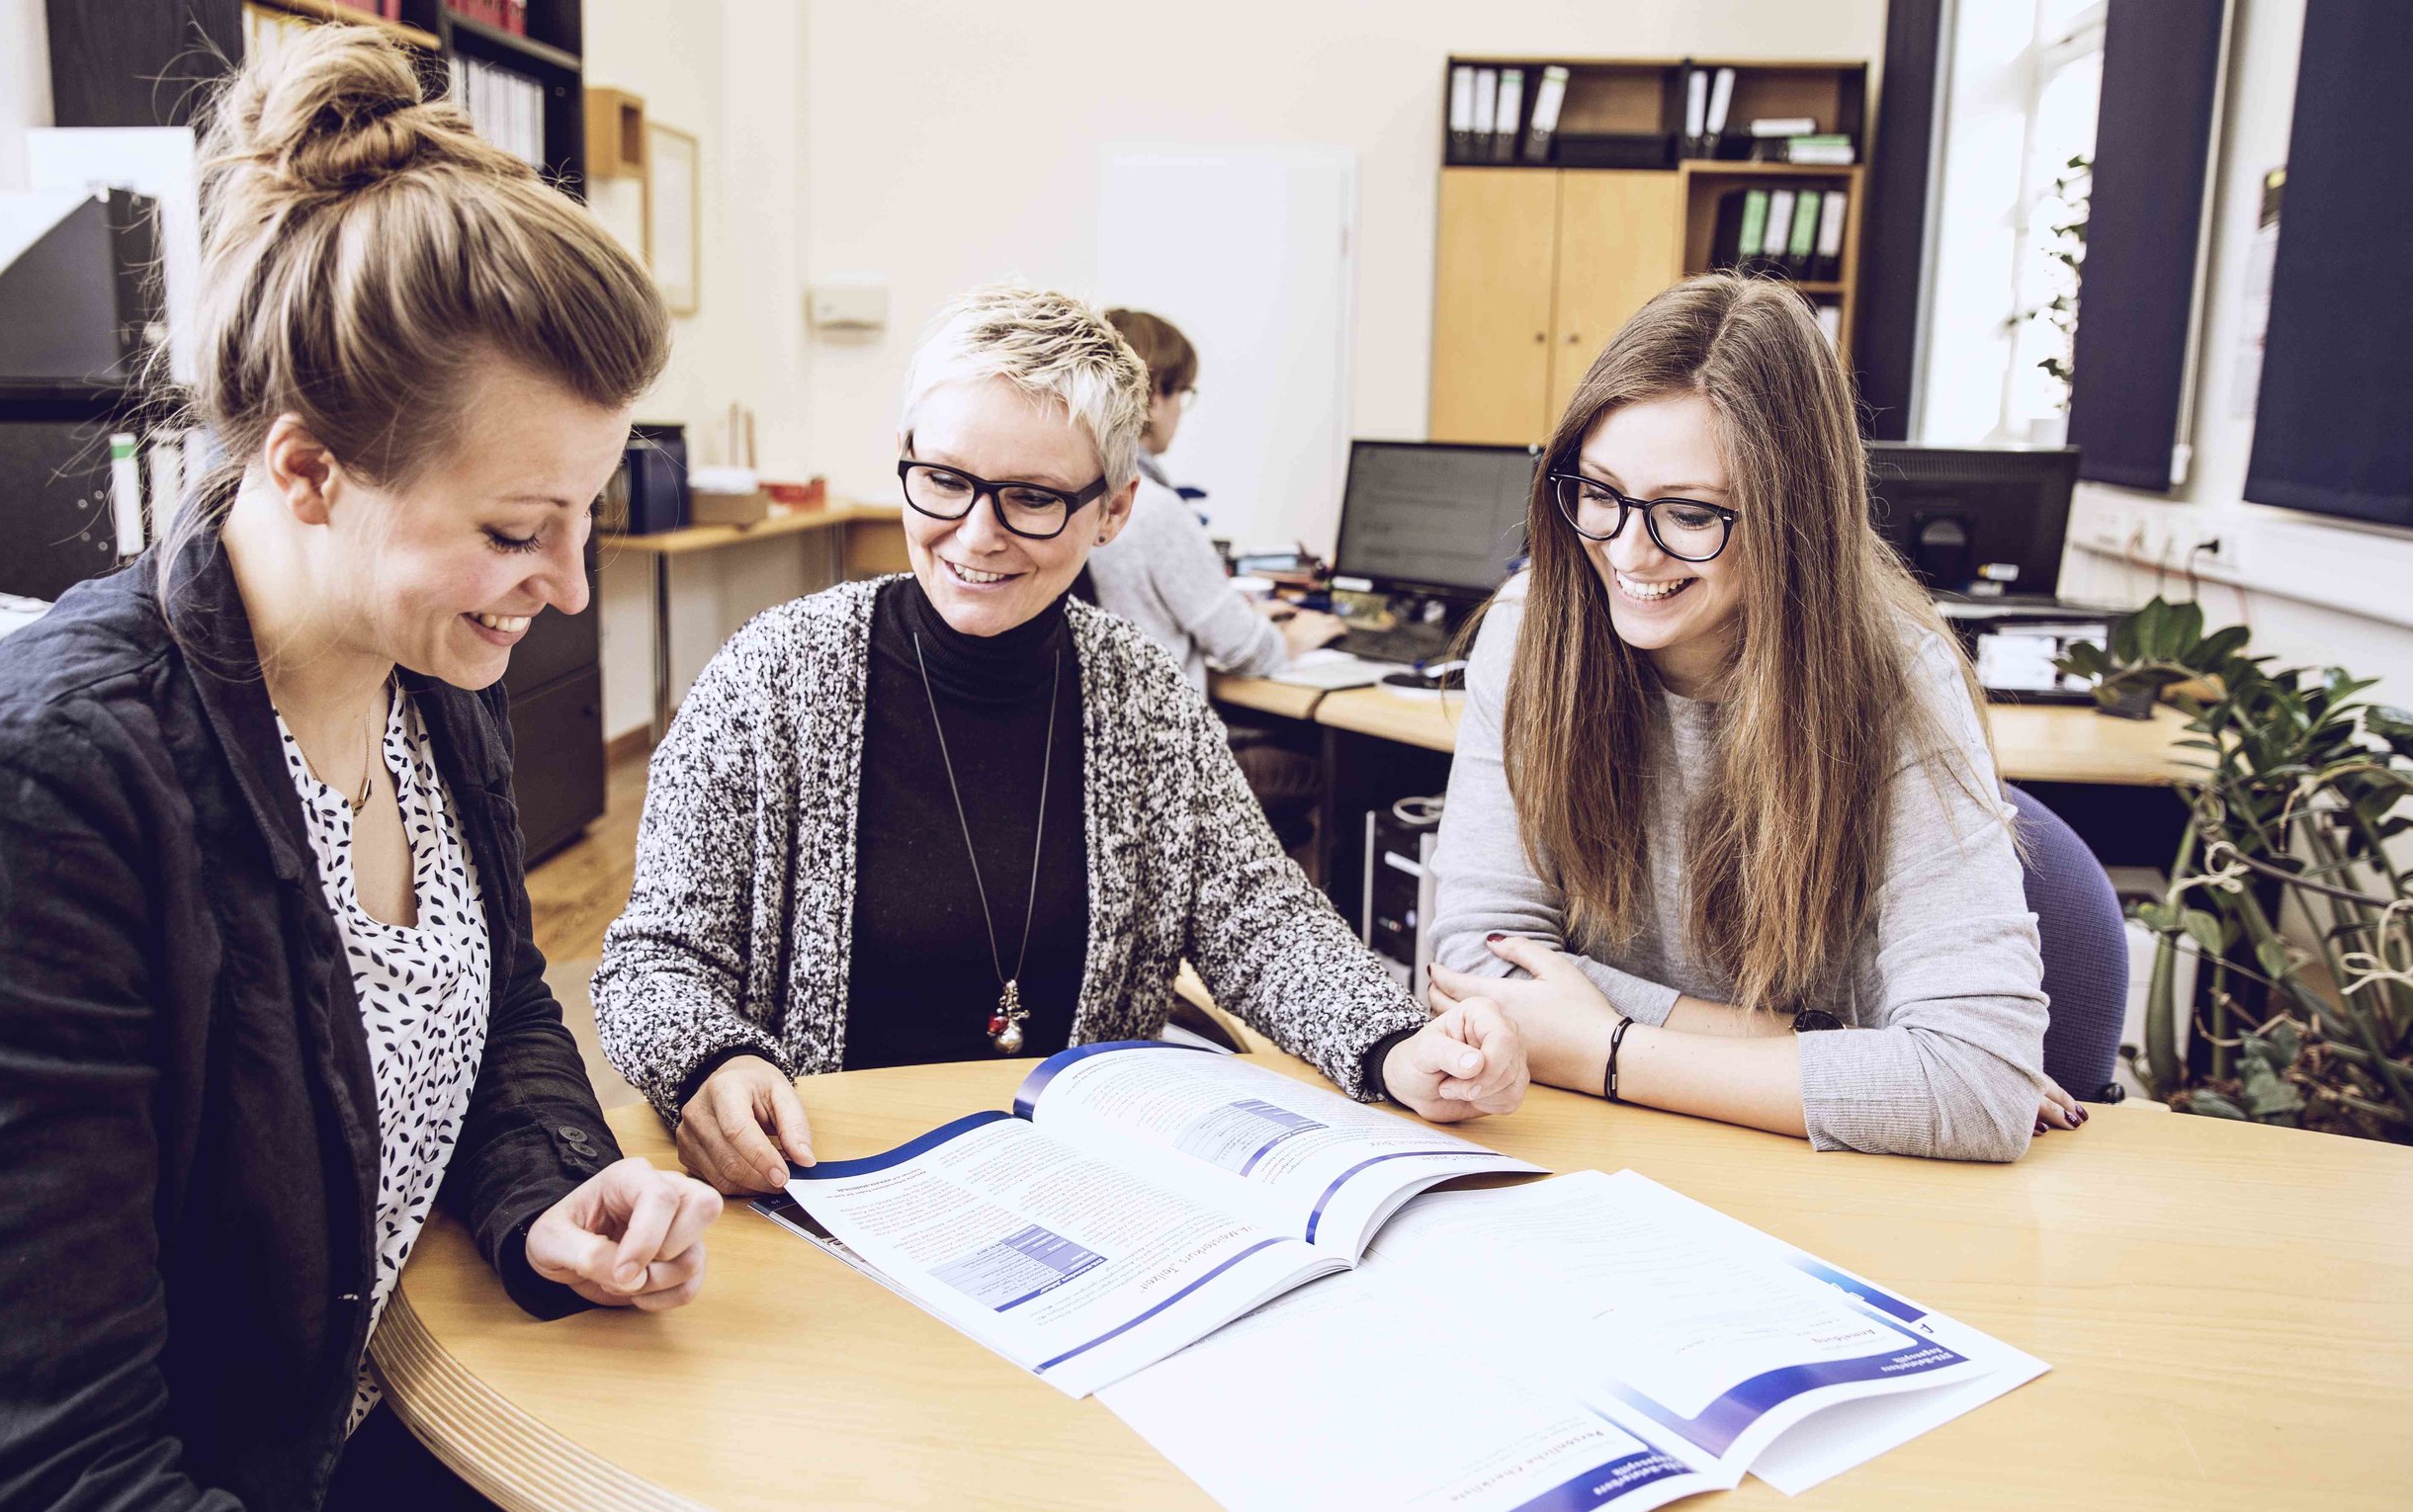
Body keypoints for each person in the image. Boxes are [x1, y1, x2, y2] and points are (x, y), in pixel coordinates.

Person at [0, 31, 736, 1512]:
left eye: (584, 515)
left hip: (386, 1441)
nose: (570, 586)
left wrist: (540, 1193)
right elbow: (37, 1487)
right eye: (518, 530)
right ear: (304, 467)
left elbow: (502, 996)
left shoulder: (427, 679)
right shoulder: (55, 785)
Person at [593, 285, 1526, 1195]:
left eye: (1032, 498)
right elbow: (655, 962)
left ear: (1114, 510)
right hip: (826, 1178)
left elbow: (1262, 922)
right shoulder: (769, 682)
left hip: (1073, 1188)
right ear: (908, 462)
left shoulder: (1144, 698)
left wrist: (1394, 1039)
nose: (977, 533)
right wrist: (710, 1060)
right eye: (946, 481)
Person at [1424, 274, 2086, 1163]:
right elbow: (1476, 964)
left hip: (1834, 1188)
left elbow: (1975, 1086)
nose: (1626, 550)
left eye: (1689, 513)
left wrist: (1606, 1047)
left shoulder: (1899, 682)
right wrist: (1798, 1036)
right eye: (1599, 491)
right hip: (1609, 1154)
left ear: (1790, 516)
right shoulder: (1532, 625)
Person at [1086, 307, 1345, 688]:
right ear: (1155, 398)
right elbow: (1243, 649)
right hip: (1166, 731)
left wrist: (1243, 613)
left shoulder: (1075, 491)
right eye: (1183, 393)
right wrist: (1293, 638)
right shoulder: (1150, 507)